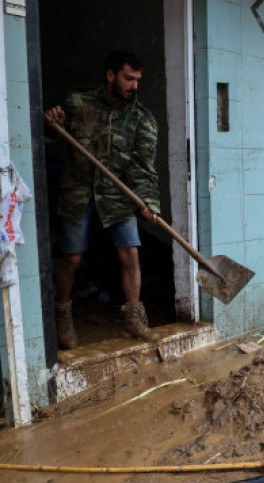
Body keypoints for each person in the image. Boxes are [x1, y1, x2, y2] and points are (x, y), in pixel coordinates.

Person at [45, 50, 161, 349]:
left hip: (117, 195)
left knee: (131, 254)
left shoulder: (142, 120)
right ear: (110, 75)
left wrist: (148, 202)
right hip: (78, 191)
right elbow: (49, 138)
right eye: (128, 79)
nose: (134, 86)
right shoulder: (77, 103)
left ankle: (135, 318)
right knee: (72, 258)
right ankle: (61, 315)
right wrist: (50, 122)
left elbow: (143, 170)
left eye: (137, 80)